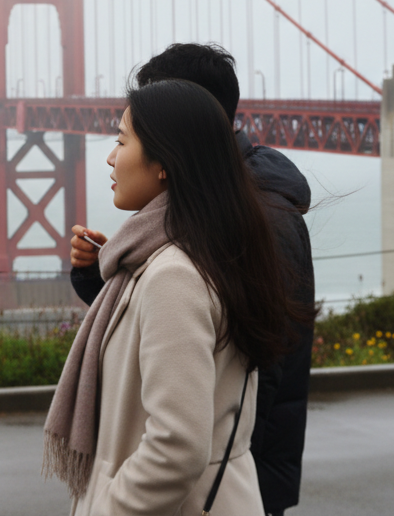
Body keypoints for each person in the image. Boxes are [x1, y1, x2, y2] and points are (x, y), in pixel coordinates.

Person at [43, 80, 311, 515]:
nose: (111, 157)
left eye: (121, 140)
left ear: (165, 162)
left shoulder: (173, 276)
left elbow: (177, 446)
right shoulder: (210, 249)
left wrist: (109, 508)